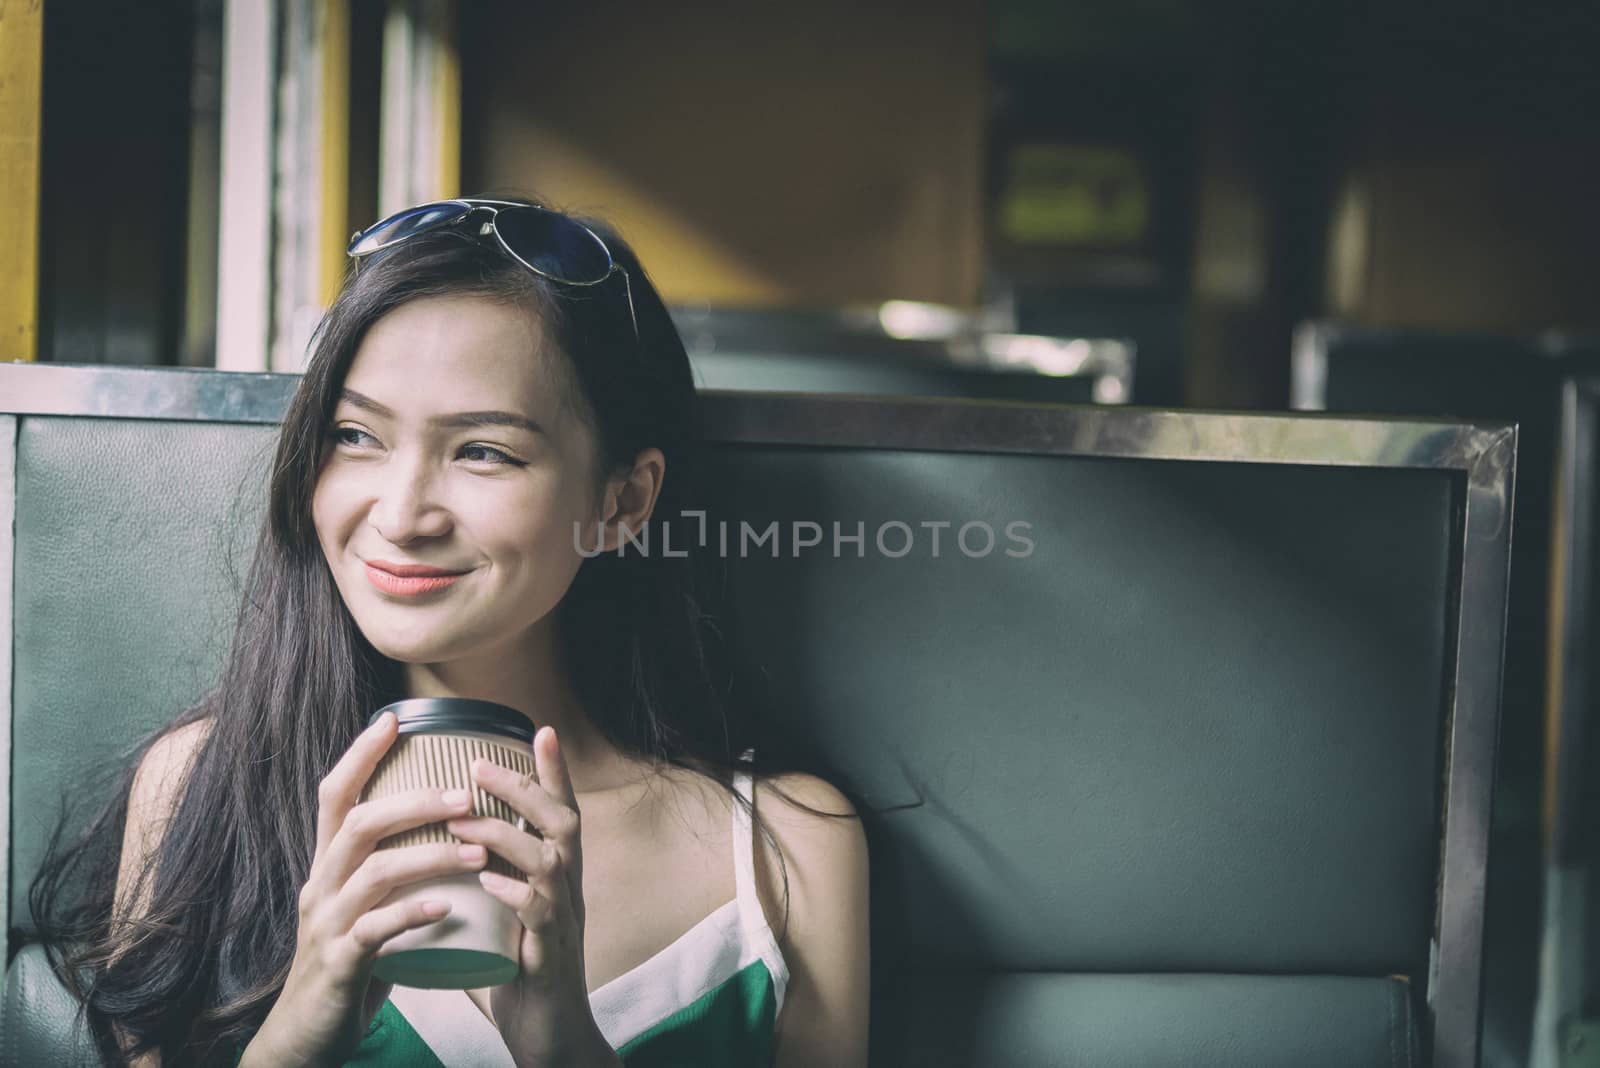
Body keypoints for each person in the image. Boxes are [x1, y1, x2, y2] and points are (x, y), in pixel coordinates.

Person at [28, 195, 871, 1067]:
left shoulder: (789, 849)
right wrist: (297, 1030)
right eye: (355, 436)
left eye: (482, 451)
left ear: (621, 502)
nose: (399, 516)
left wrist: (565, 1047)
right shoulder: (198, 788)